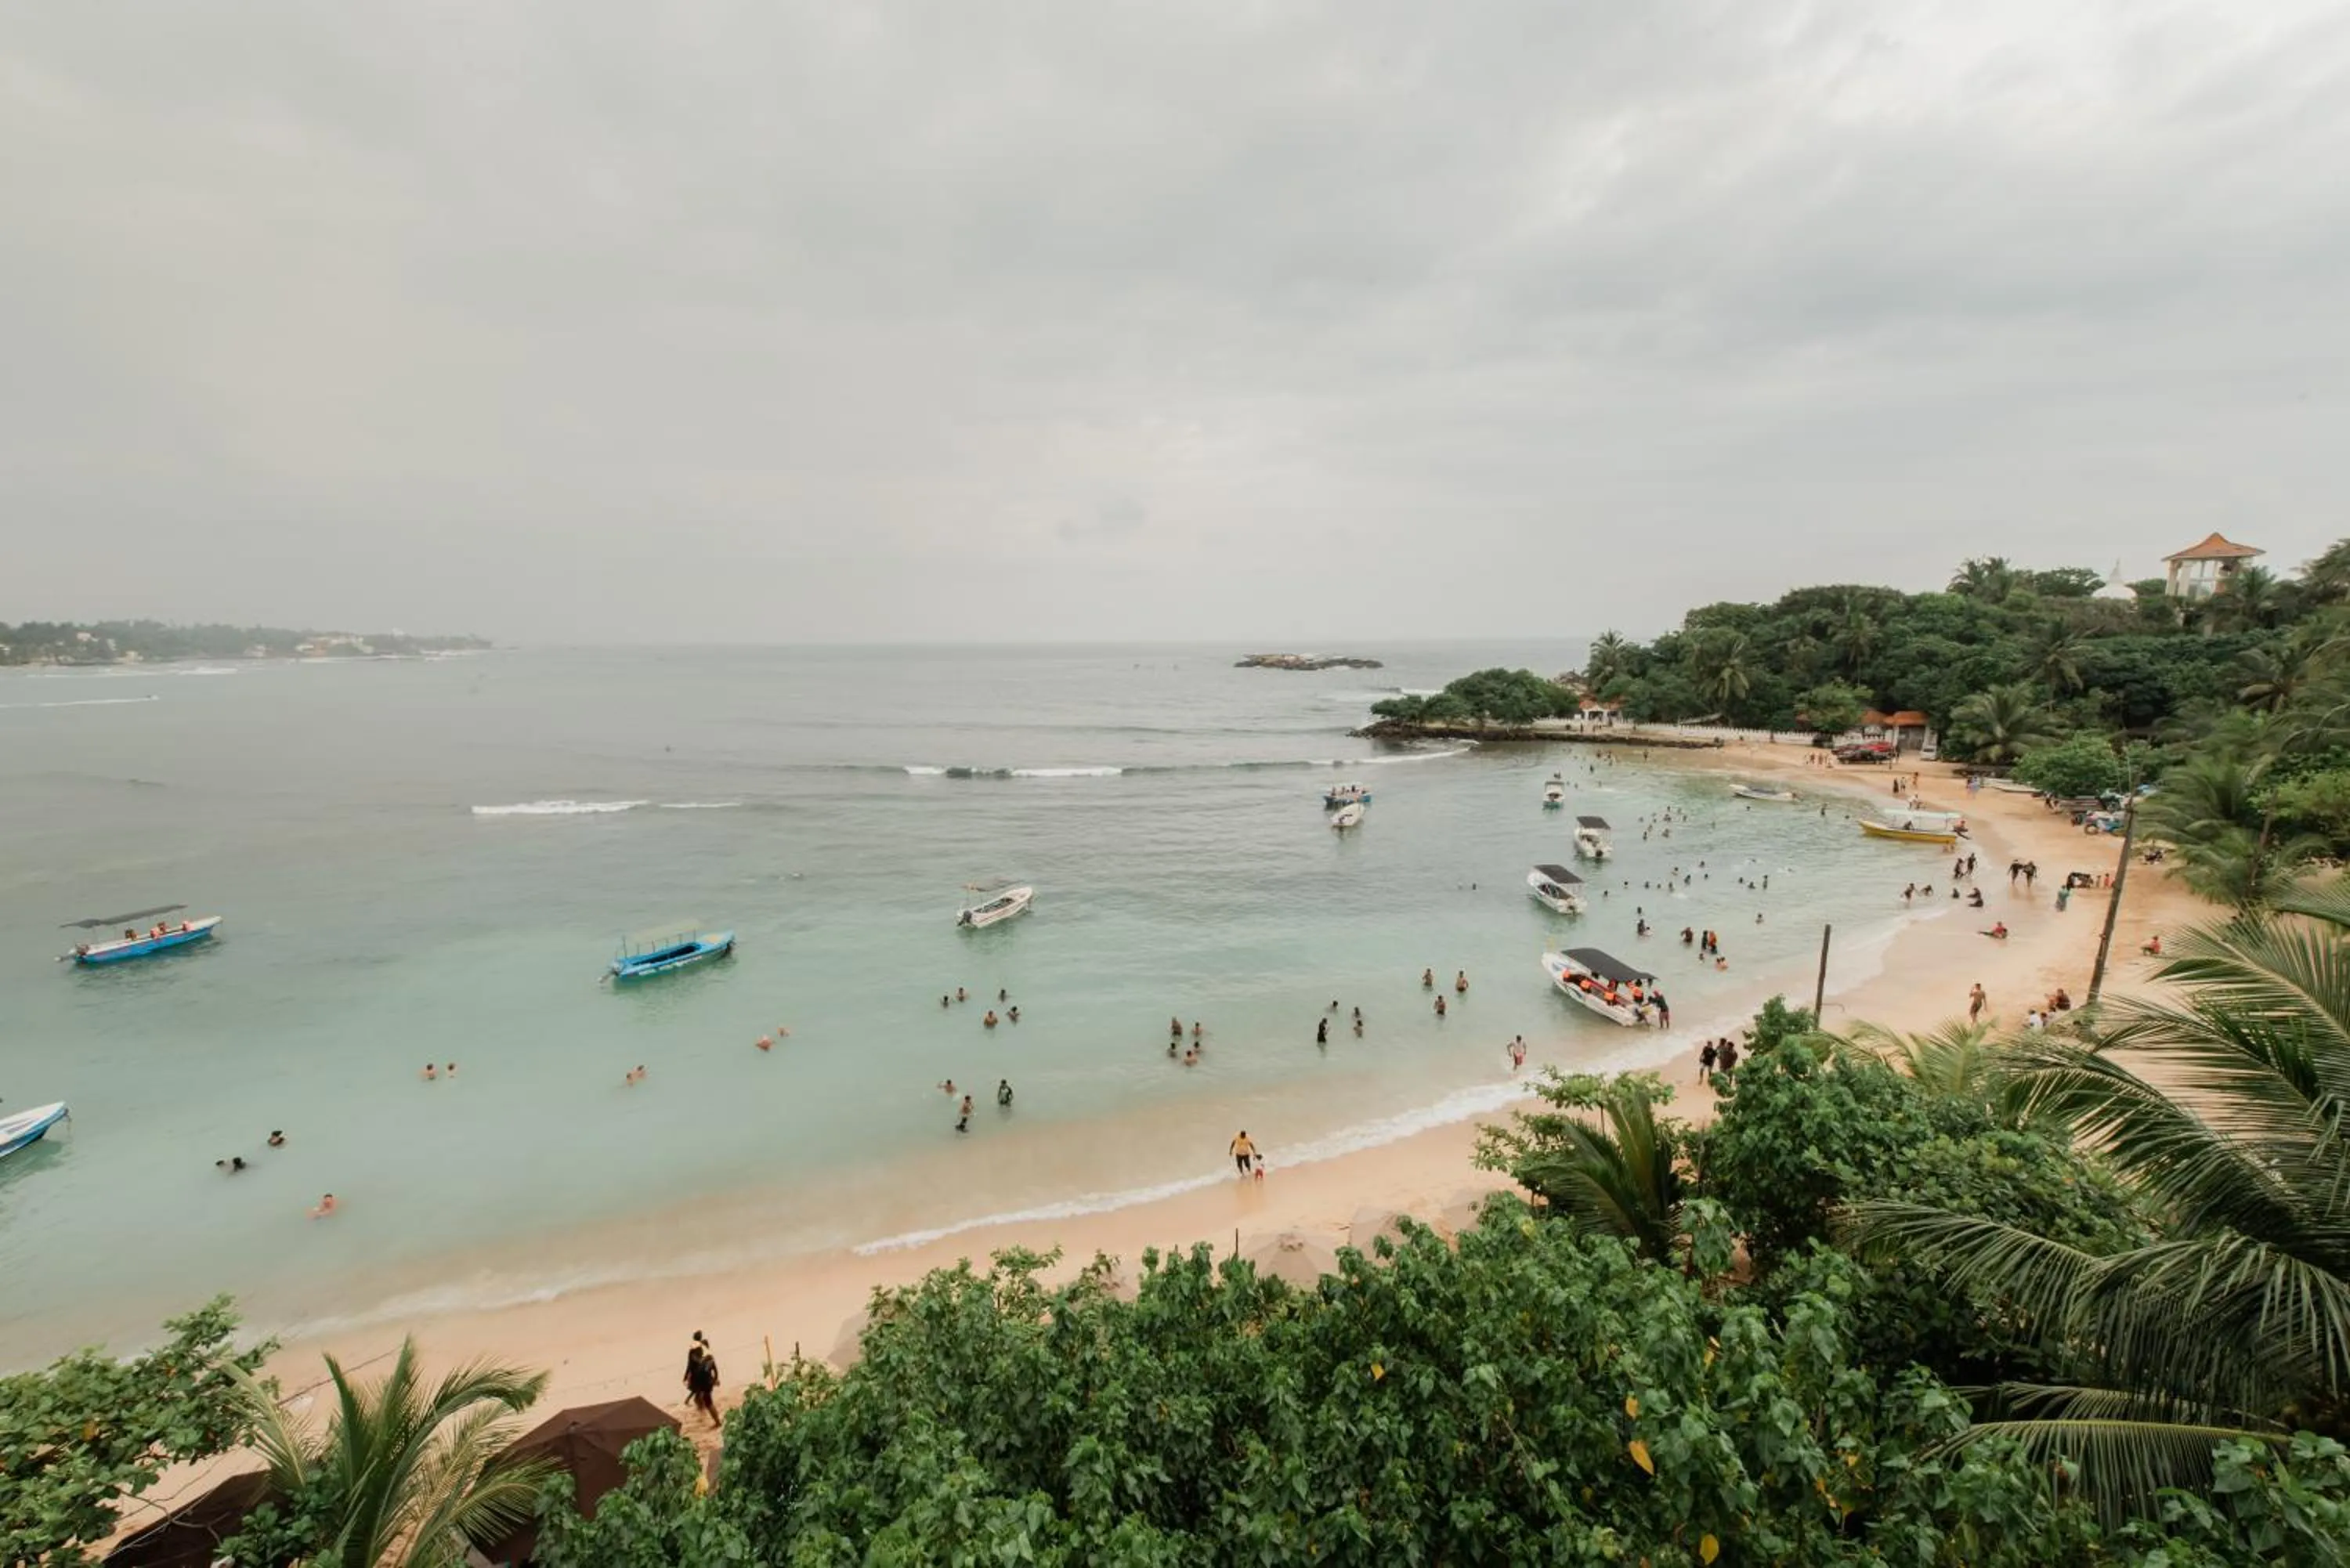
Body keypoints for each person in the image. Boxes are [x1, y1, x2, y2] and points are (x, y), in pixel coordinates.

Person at [685, 1338, 721, 1428]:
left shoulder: (700, 1364)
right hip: (707, 1383)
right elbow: (714, 1369)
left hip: (704, 1385)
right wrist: (714, 1380)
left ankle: (718, 1422)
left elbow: (698, 1375)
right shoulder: (708, 1359)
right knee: (705, 1401)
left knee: (708, 1403)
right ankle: (716, 1421)